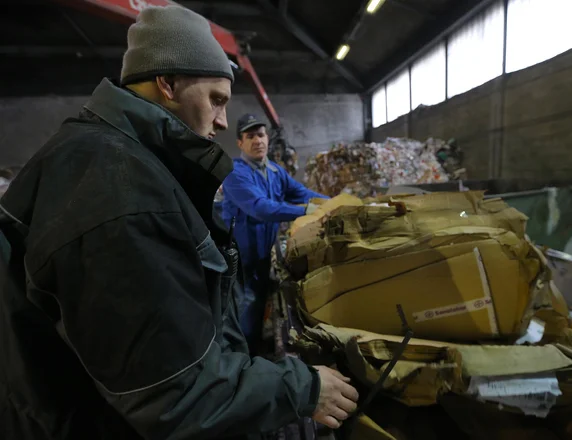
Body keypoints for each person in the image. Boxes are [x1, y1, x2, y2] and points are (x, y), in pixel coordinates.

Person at [0, 6, 357, 440]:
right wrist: (302, 388)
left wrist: (331, 203)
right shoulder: (119, 188)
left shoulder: (116, 158)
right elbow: (172, 391)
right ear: (167, 84)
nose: (222, 121)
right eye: (216, 100)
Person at [222, 114, 328, 352]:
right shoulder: (234, 173)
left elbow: (302, 193)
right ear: (240, 143)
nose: (257, 140)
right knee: (242, 308)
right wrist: (305, 211)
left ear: (268, 138)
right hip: (240, 257)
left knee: (258, 304)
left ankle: (256, 353)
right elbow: (261, 209)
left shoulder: (275, 172)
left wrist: (337, 203)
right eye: (250, 136)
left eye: (261, 134)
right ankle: (240, 359)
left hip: (261, 256)